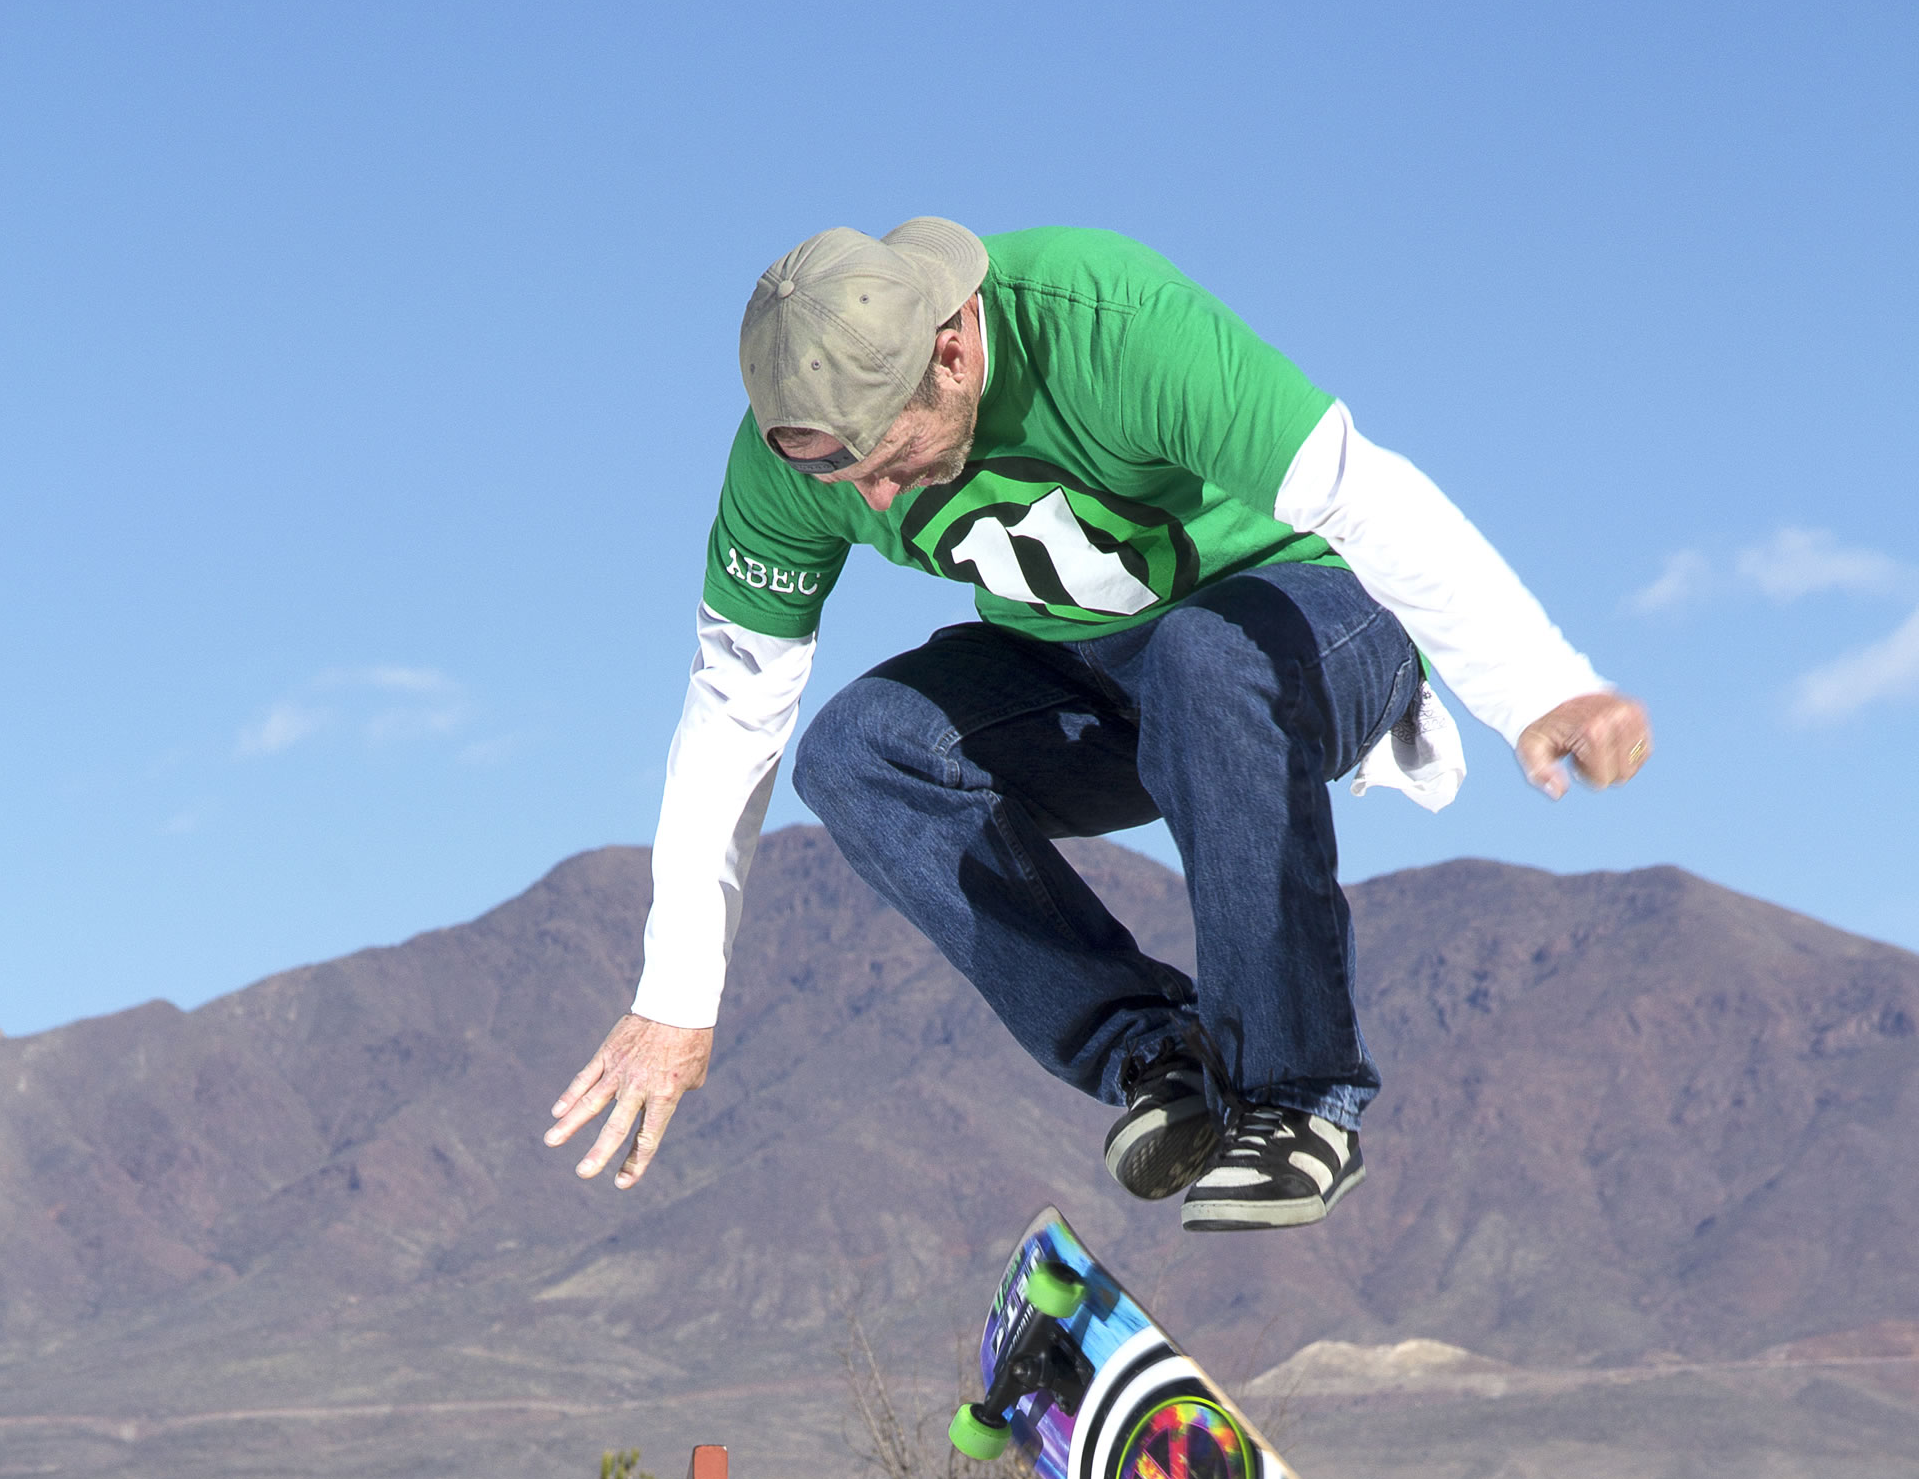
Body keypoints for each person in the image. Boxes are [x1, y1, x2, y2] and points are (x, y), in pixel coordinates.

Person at [548, 219, 1650, 1229]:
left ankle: (1298, 1092)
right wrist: (677, 997)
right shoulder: (788, 471)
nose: (878, 503)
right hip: (1095, 677)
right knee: (858, 752)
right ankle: (1157, 1057)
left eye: (891, 461)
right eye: (844, 474)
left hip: (1317, 623)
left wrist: (1539, 684)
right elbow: (735, 705)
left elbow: (1366, 496)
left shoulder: (1111, 324)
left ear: (951, 350)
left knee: (1203, 656)